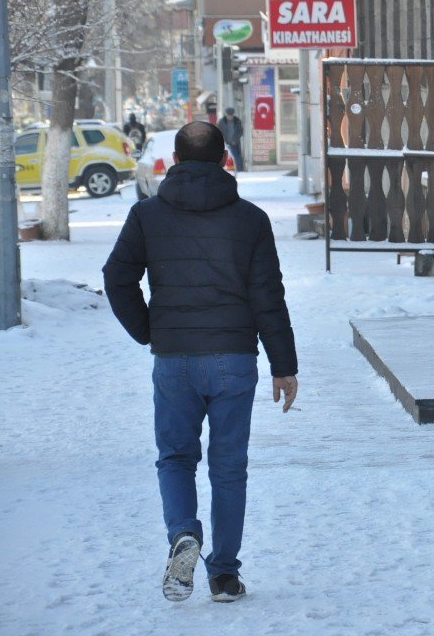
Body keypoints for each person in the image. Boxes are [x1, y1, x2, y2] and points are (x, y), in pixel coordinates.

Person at [103, 121, 298, 603]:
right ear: (224, 158)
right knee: (228, 468)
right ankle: (225, 576)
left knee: (175, 458)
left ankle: (183, 535)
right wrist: (283, 364)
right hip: (234, 358)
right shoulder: (250, 220)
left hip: (174, 361)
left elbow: (116, 278)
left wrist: (149, 330)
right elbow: (268, 297)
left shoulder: (146, 216)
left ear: (173, 158)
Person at [217, 107, 245, 172]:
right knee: (232, 156)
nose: (230, 117)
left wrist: (235, 139)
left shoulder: (237, 121)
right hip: (226, 142)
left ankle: (240, 169)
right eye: (228, 115)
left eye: (231, 115)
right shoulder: (222, 121)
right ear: (226, 115)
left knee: (237, 155)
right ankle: (237, 169)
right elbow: (219, 130)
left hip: (235, 142)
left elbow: (240, 131)